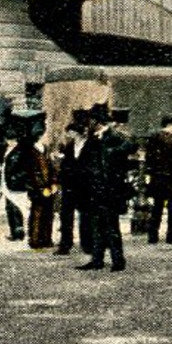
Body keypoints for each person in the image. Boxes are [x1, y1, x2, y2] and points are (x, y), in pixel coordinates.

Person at [76, 104, 135, 272]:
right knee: (96, 226)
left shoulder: (114, 135)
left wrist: (111, 153)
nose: (87, 123)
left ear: (96, 121)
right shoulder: (92, 139)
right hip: (94, 189)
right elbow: (84, 162)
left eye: (90, 120)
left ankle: (118, 260)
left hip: (110, 189)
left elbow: (131, 146)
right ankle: (97, 259)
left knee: (111, 226)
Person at [145, 116, 172, 245]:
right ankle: (170, 236)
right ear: (171, 125)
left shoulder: (154, 138)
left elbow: (149, 158)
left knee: (157, 208)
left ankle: (153, 236)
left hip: (158, 178)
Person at [54, 111, 91, 256]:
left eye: (71, 132)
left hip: (84, 186)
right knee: (66, 216)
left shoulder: (89, 145)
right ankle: (65, 244)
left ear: (77, 133)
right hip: (70, 186)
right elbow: (65, 166)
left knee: (85, 216)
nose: (69, 135)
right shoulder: (69, 147)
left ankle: (87, 244)